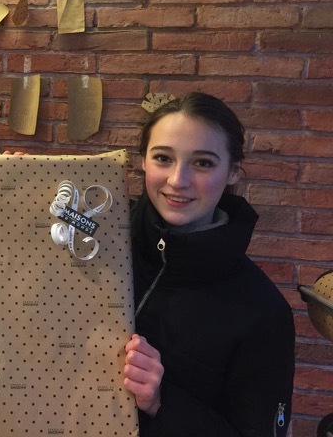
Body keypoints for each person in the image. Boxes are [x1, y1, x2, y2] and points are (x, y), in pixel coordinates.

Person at [122, 92, 295, 436]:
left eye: (202, 163)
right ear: (143, 161)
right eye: (163, 158)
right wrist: (17, 192)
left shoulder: (262, 312)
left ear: (232, 172)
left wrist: (161, 402)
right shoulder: (101, 241)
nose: (178, 180)